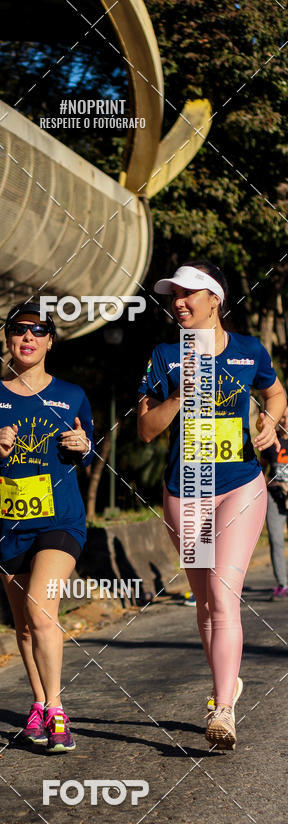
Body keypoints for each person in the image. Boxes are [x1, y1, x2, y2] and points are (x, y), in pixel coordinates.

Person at [137, 260, 286, 750]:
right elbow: (145, 430)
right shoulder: (164, 355)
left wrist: (270, 421)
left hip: (241, 483)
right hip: (188, 488)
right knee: (204, 602)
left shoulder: (248, 351)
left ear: (215, 298)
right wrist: (181, 392)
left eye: (188, 294)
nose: (178, 302)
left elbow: (276, 391)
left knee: (223, 595)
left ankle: (223, 710)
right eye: (173, 295)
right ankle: (227, 683)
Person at [0, 301, 94, 752]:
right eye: (20, 330)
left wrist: (82, 445)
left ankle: (56, 711)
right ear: (8, 339)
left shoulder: (72, 395)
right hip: (8, 524)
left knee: (41, 612)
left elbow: (87, 448)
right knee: (23, 627)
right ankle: (37, 706)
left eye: (38, 331)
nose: (28, 338)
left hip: (61, 520)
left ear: (50, 341)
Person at [261, 409, 288, 598]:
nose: (285, 421)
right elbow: (261, 470)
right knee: (276, 540)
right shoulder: (269, 441)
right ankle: (283, 584)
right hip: (274, 495)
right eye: (282, 418)